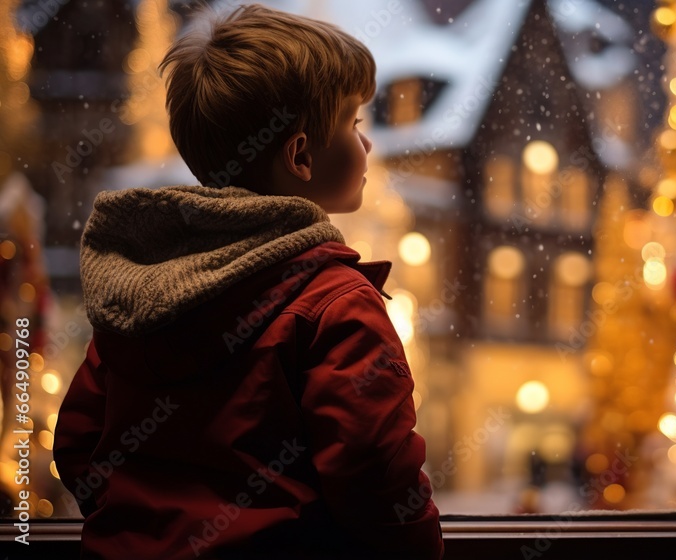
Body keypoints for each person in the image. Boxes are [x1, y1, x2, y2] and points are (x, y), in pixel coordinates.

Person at [52, 4, 444, 559]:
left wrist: (143, 528)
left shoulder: (142, 288)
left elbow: (77, 443)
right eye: (355, 125)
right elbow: (375, 471)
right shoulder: (334, 304)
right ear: (301, 156)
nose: (368, 144)